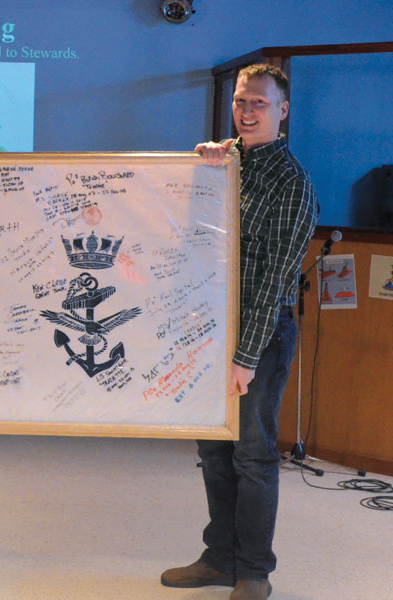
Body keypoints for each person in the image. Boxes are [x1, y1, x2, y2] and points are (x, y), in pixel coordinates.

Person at [160, 64, 318, 600]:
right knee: (215, 451)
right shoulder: (227, 162)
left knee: (252, 456)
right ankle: (219, 558)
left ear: (283, 111)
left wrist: (244, 357)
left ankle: (254, 572)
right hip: (211, 331)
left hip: (260, 337)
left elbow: (274, 282)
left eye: (259, 104)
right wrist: (206, 161)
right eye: (241, 102)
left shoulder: (290, 183)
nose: (247, 112)